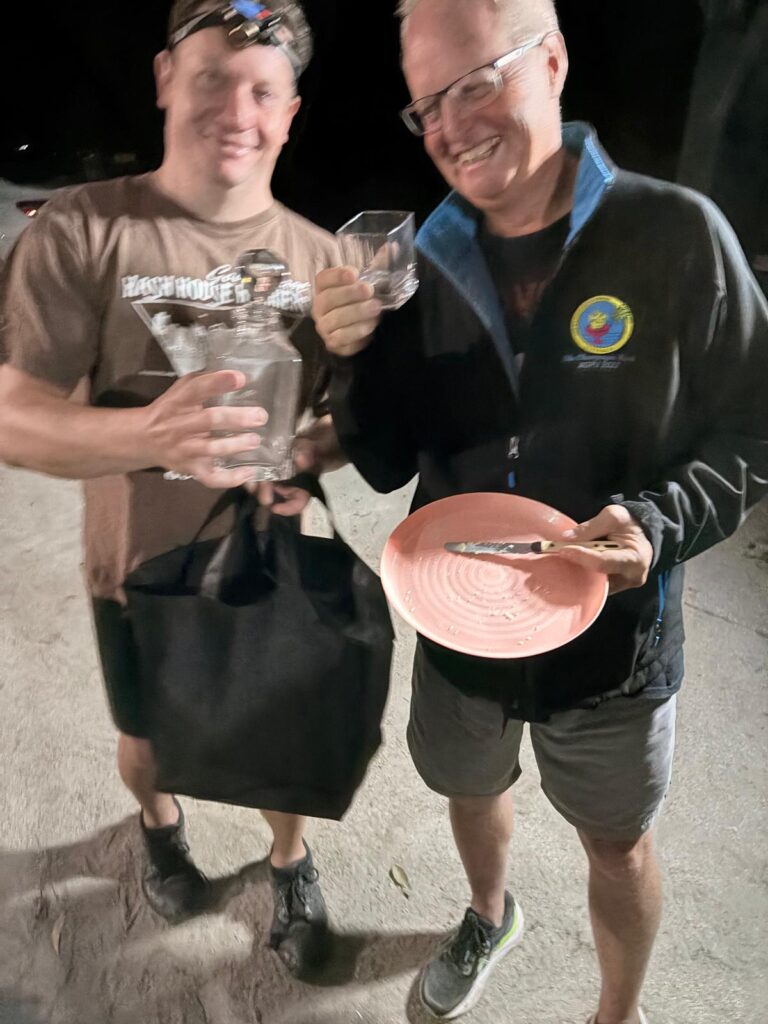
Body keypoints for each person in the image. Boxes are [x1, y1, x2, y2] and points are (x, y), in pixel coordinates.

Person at [313, 0, 768, 1020]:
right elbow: (383, 462)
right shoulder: (419, 262)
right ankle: (489, 913)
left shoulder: (674, 233)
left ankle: (617, 1010)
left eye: (477, 82)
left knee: (616, 841)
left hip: (615, 642)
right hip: (458, 622)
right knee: (471, 788)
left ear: (554, 59)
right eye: (427, 104)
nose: (452, 126)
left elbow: (754, 425)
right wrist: (349, 360)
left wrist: (661, 521)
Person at [0, 0, 342, 972]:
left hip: (267, 566)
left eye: (263, 91)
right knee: (146, 738)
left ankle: (290, 861)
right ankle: (159, 828)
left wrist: (318, 449)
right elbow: (12, 414)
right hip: (132, 568)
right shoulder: (83, 229)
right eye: (210, 79)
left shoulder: (325, 260)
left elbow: (351, 421)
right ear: (163, 79)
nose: (236, 110)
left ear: (289, 114)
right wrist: (146, 433)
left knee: (280, 739)